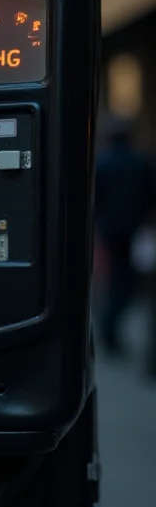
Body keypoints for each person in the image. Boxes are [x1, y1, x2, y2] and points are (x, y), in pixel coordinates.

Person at [95, 120, 156, 357]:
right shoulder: (141, 162)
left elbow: (95, 200)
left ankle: (109, 327)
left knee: (117, 279)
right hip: (136, 232)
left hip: (110, 231)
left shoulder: (103, 163)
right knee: (128, 282)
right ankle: (110, 326)